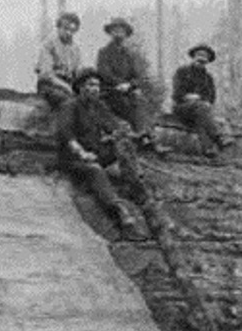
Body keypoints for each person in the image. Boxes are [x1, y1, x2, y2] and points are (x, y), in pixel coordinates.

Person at [57, 67, 141, 237]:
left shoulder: (98, 106)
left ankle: (137, 181)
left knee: (123, 144)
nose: (95, 89)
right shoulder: (70, 106)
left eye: (97, 85)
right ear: (81, 87)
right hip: (73, 158)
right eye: (91, 84)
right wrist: (82, 153)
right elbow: (66, 135)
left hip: (96, 152)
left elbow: (112, 124)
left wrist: (122, 132)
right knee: (95, 169)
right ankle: (118, 208)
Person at [96, 17, 157, 148]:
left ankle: (144, 135)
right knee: (126, 102)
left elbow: (137, 76)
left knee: (139, 99)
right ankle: (140, 135)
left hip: (127, 91)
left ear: (125, 34)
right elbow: (104, 73)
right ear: (110, 33)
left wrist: (129, 85)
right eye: (115, 31)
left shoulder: (130, 55)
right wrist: (119, 84)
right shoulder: (103, 53)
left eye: (121, 31)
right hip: (109, 91)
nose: (118, 34)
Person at [172, 43, 230, 157]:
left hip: (200, 110)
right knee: (202, 108)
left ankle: (207, 149)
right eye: (198, 60)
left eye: (203, 61)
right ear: (193, 58)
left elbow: (211, 97)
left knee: (202, 114)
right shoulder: (182, 72)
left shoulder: (208, 78)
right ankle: (218, 136)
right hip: (182, 108)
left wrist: (203, 101)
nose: (200, 63)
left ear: (207, 62)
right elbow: (177, 94)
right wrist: (192, 98)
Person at [36, 12, 82, 109]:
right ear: (58, 28)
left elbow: (77, 72)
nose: (69, 33)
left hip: (68, 85)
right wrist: (66, 87)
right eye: (65, 28)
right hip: (50, 86)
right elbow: (46, 74)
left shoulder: (75, 49)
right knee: (68, 102)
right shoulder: (49, 45)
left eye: (72, 30)